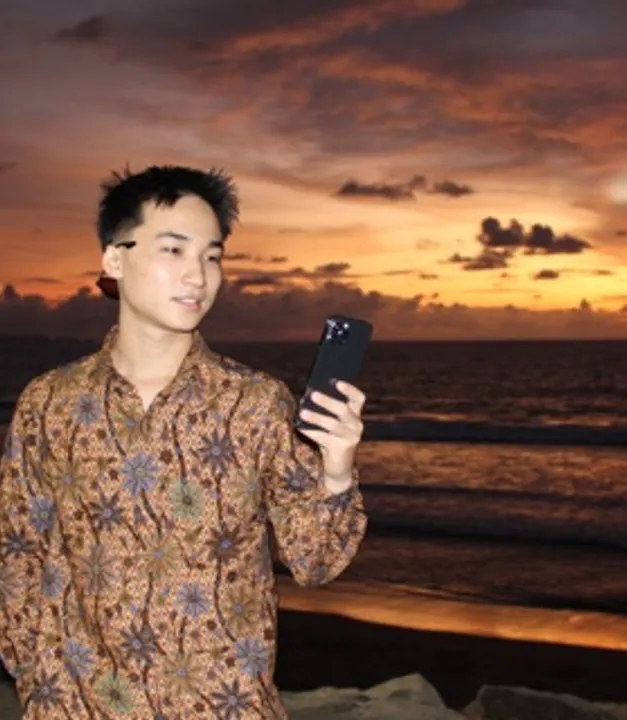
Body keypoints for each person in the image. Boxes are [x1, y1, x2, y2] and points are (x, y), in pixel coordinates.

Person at [0, 165, 368, 719]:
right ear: (114, 259)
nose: (198, 275)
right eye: (173, 250)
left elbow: (315, 561)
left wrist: (336, 470)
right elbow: (17, 551)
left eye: (212, 256)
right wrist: (37, 679)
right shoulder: (49, 402)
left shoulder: (255, 403)